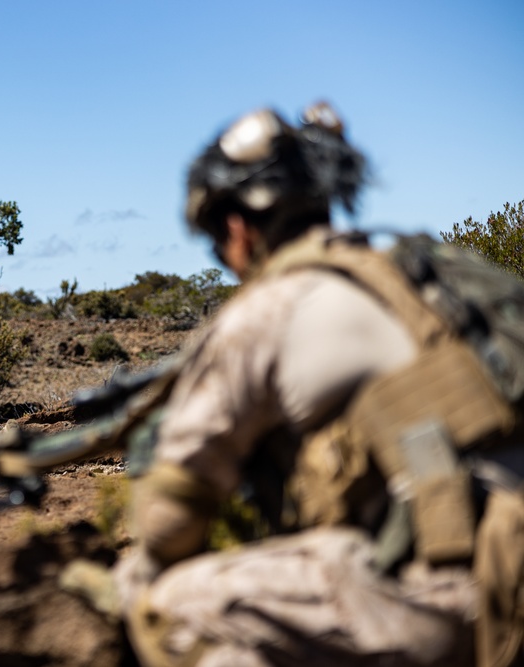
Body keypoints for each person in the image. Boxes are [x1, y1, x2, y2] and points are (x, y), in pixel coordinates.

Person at [108, 102, 524, 667]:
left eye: (215, 240)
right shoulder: (419, 272)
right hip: (511, 553)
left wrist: (129, 582)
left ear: (237, 226)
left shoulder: (268, 311)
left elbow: (168, 525)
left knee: (170, 605)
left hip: (466, 596)